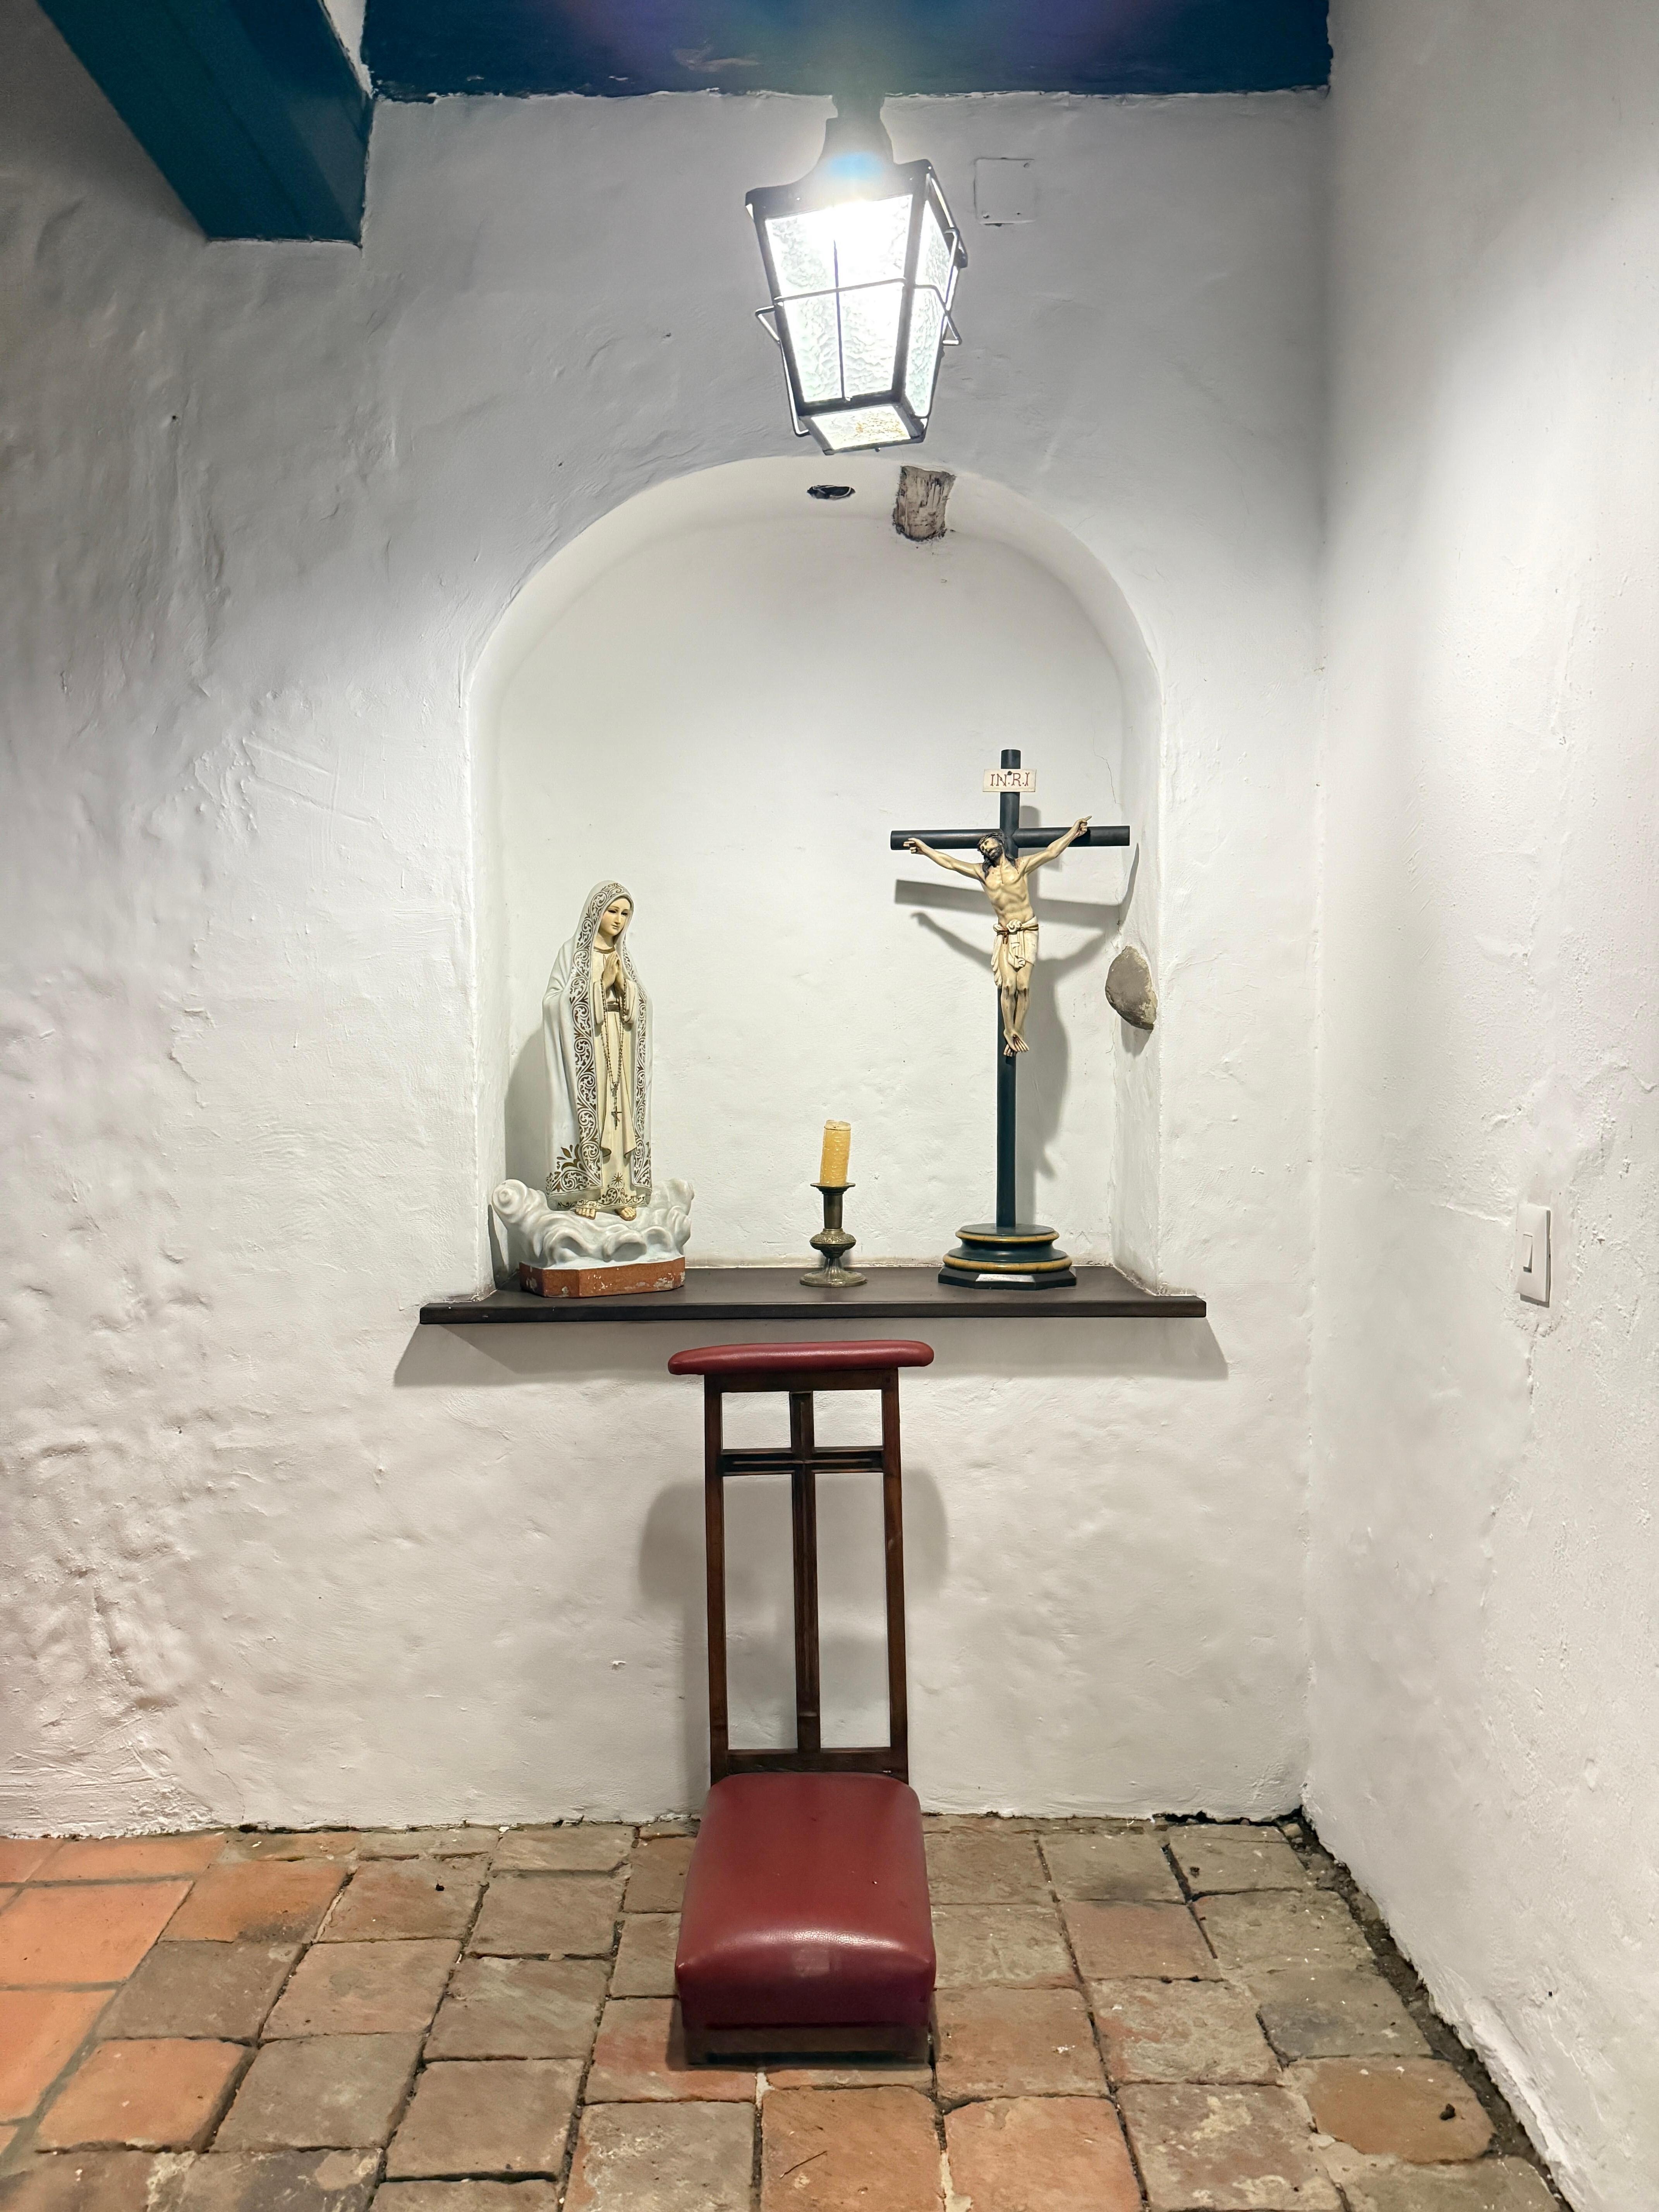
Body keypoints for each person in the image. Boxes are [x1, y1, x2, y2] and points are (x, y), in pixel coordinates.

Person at [903, 819, 1090, 1054]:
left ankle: (1019, 1031)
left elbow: (1051, 852)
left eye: (989, 844)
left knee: (1023, 987)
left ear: (1000, 843)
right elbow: (950, 863)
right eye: (983, 848)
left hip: (1028, 930)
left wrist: (1073, 832)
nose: (986, 849)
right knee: (1008, 986)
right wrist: (925, 850)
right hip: (1005, 935)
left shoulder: (1021, 866)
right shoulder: (983, 874)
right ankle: (1009, 1030)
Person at [543, 880, 653, 1218]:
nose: (619, 920)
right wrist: (599, 987)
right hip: (588, 1048)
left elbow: (643, 1005)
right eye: (612, 911)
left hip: (620, 1044)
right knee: (596, 1110)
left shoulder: (624, 957)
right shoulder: (573, 954)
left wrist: (624, 988)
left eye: (625, 914)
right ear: (596, 912)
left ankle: (619, 1192)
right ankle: (588, 1193)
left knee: (619, 1113)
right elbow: (553, 1002)